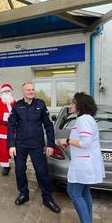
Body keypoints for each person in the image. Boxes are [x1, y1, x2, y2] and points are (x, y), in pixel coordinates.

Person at [7, 82, 60, 214]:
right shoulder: (17, 106)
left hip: (37, 145)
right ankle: (23, 194)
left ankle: (47, 198)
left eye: (33, 89)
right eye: (28, 90)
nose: (31, 91)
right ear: (23, 92)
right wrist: (11, 145)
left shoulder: (40, 104)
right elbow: (11, 126)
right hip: (20, 145)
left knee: (42, 172)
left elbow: (48, 125)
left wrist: (50, 144)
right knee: (19, 171)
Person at [58, 92, 105, 223]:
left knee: (73, 192)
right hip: (85, 161)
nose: (71, 105)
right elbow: (83, 140)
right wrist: (71, 143)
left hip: (84, 164)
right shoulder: (87, 118)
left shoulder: (83, 119)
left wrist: (67, 141)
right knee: (84, 193)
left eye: (73, 102)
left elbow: (85, 142)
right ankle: (87, 220)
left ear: (80, 105)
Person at [0, 83, 16, 175]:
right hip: (2, 129)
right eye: (5, 91)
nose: (7, 92)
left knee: (15, 147)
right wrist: (8, 116)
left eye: (8, 91)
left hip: (14, 129)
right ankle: (5, 166)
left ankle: (18, 163)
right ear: (2, 92)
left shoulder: (14, 102)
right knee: (2, 148)